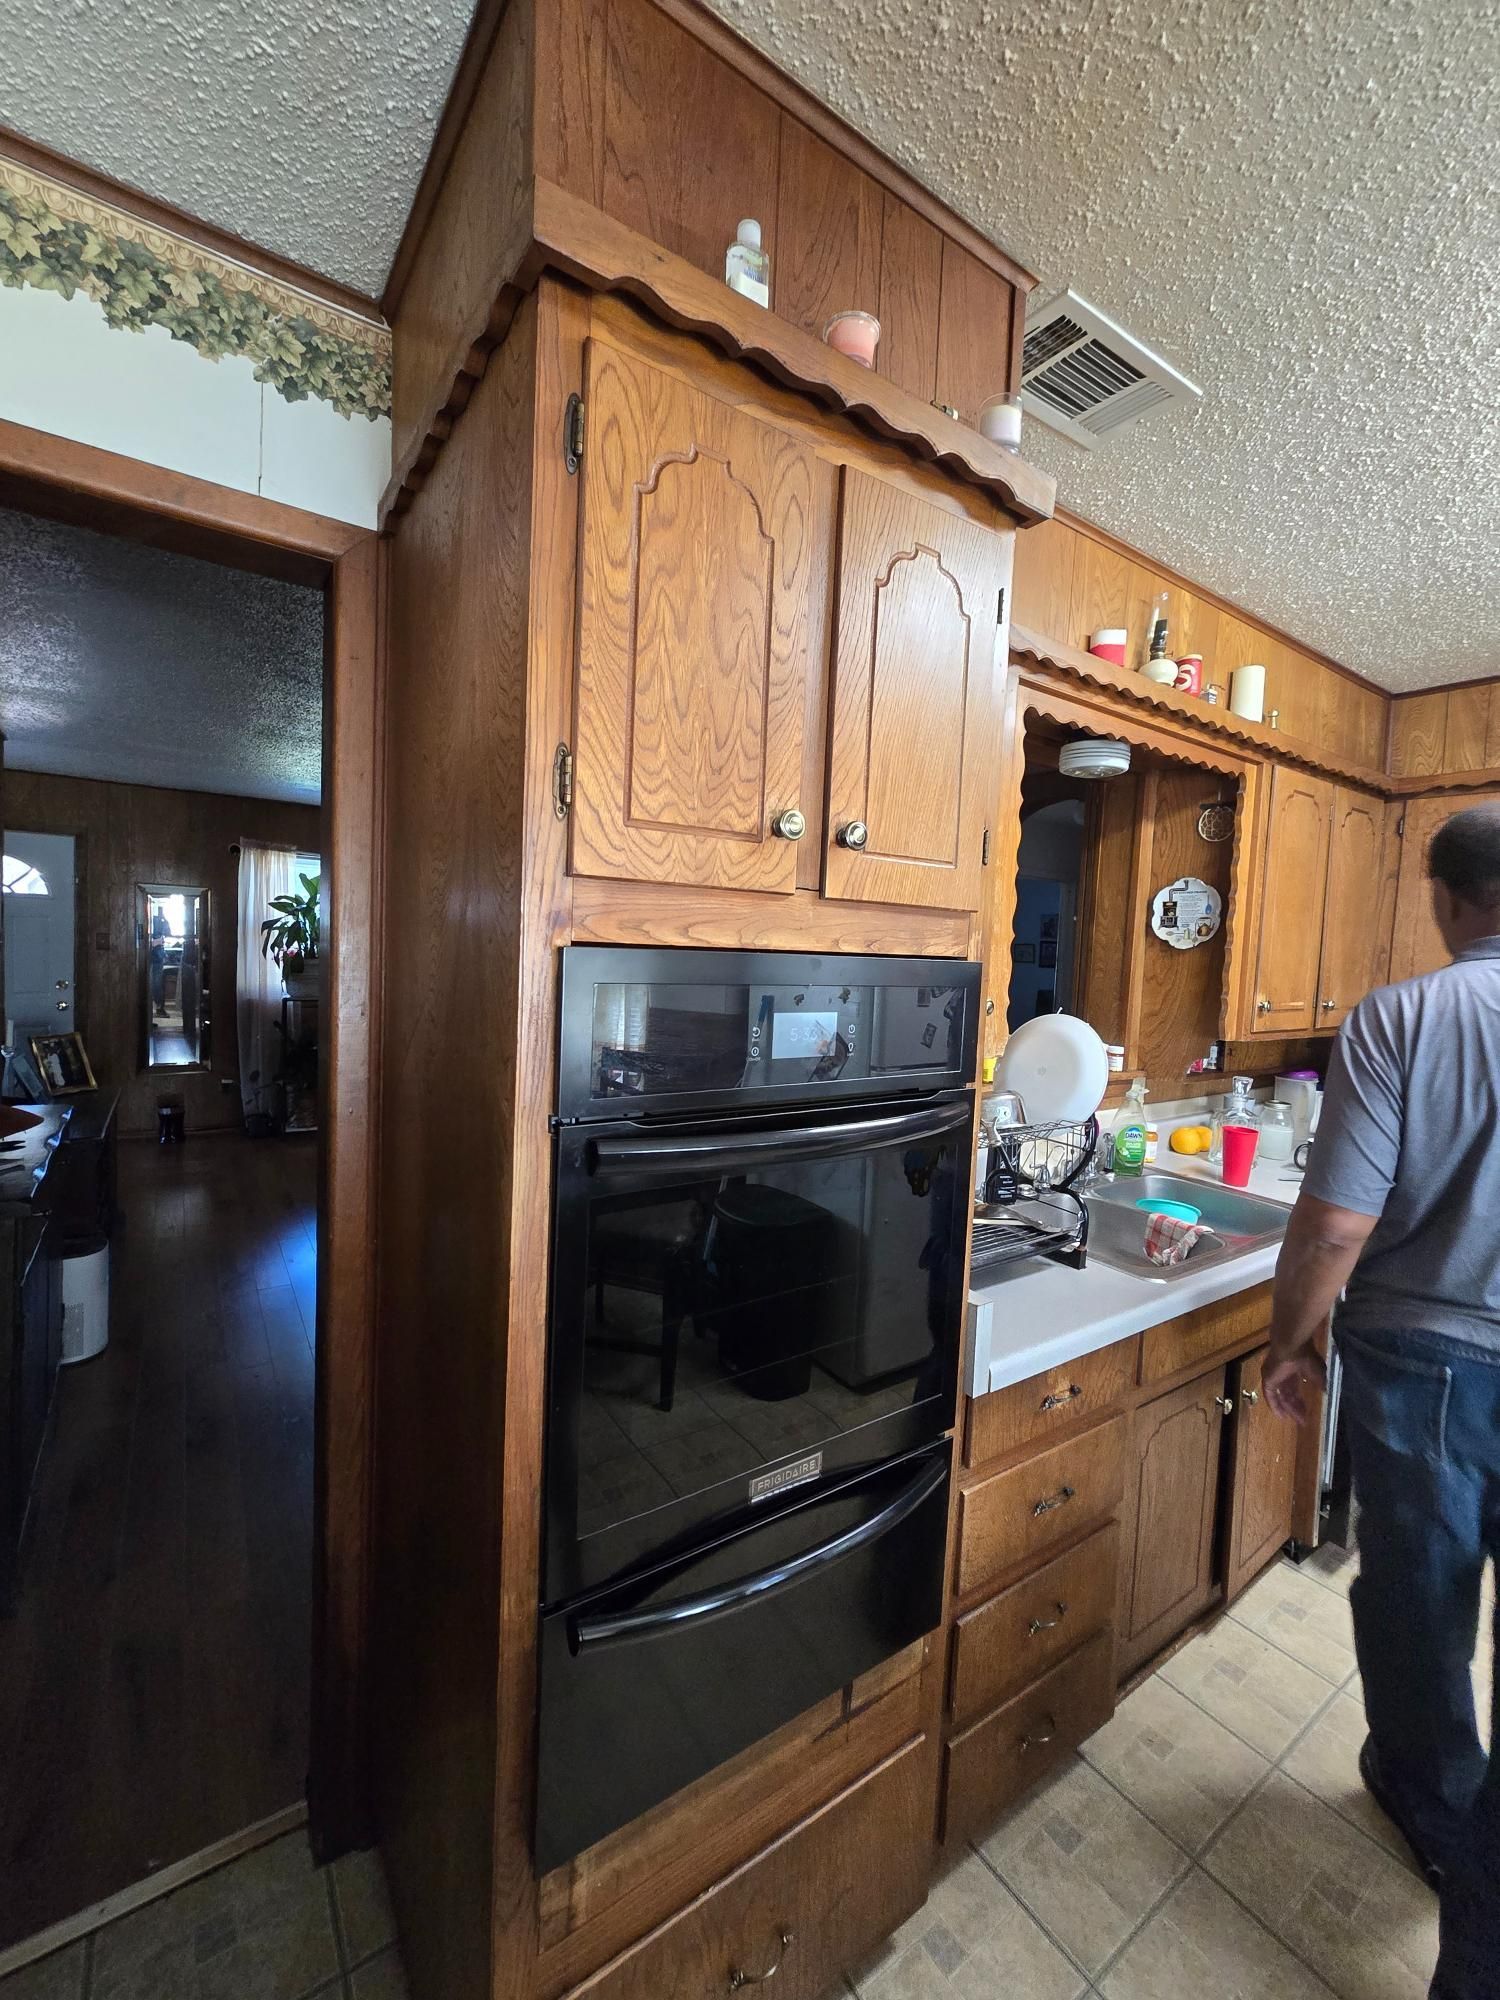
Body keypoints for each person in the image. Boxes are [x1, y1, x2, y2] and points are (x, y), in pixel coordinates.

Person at [1263, 802, 1500, 2000]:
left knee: (1418, 1601)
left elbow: (1338, 1219)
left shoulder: (1404, 1015)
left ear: (1446, 900)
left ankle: (1440, 1802)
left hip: (1428, 1363)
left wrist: (1290, 1340)